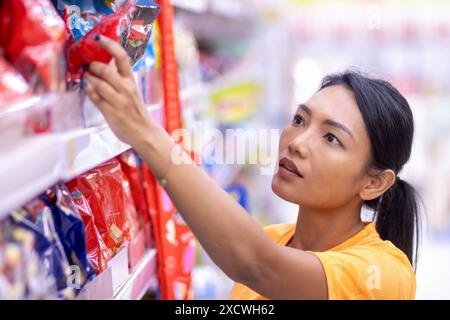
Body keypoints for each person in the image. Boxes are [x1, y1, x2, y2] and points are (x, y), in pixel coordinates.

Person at [84, 35, 420, 300]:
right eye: (300, 120)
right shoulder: (274, 240)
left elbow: (256, 264)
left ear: (375, 183)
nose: (297, 142)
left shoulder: (385, 273)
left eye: (331, 138)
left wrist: (145, 133)